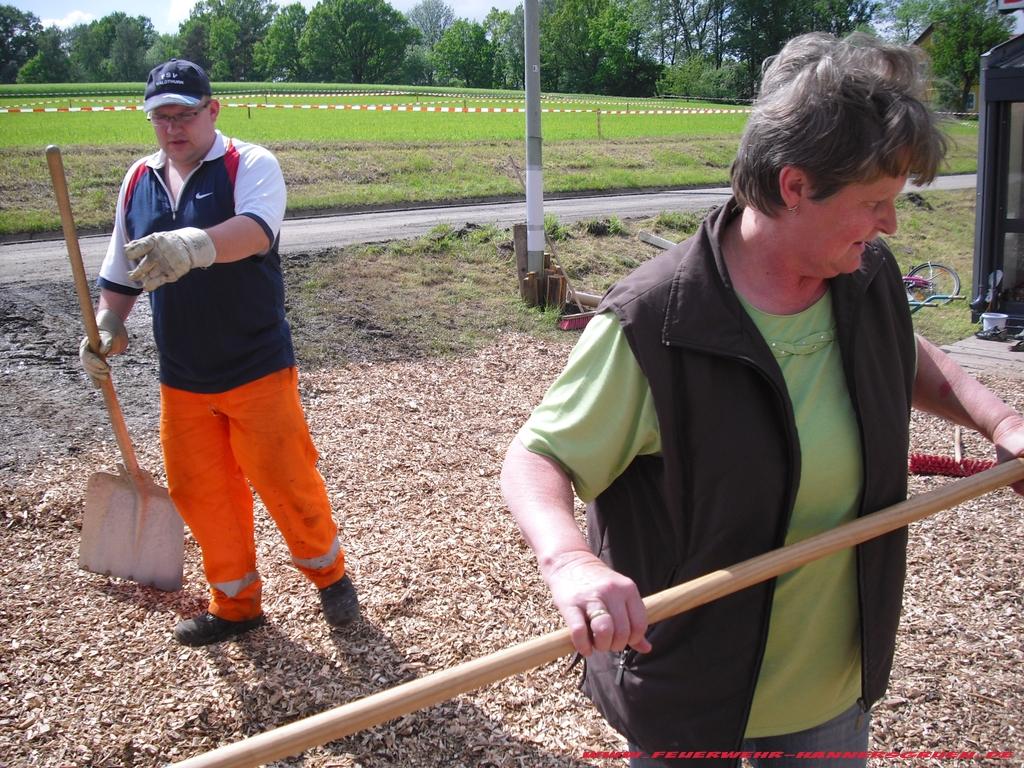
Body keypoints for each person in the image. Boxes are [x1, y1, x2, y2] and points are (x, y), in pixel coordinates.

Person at [501, 33, 1024, 766]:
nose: (891, 226)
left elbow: (903, 354)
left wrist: (1000, 420)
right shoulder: (659, 321)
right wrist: (570, 562)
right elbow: (537, 458)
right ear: (795, 185)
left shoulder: (864, 277)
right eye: (874, 202)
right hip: (691, 693)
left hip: (829, 692)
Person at [79, 59, 359, 647]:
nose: (173, 126)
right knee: (202, 494)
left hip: (255, 365)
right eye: (161, 116)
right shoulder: (138, 179)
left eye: (185, 113)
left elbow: (257, 230)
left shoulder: (248, 164)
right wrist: (110, 323)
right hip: (181, 376)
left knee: (286, 481)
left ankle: (329, 579)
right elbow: (120, 270)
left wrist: (196, 244)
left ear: (213, 110)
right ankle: (235, 604)